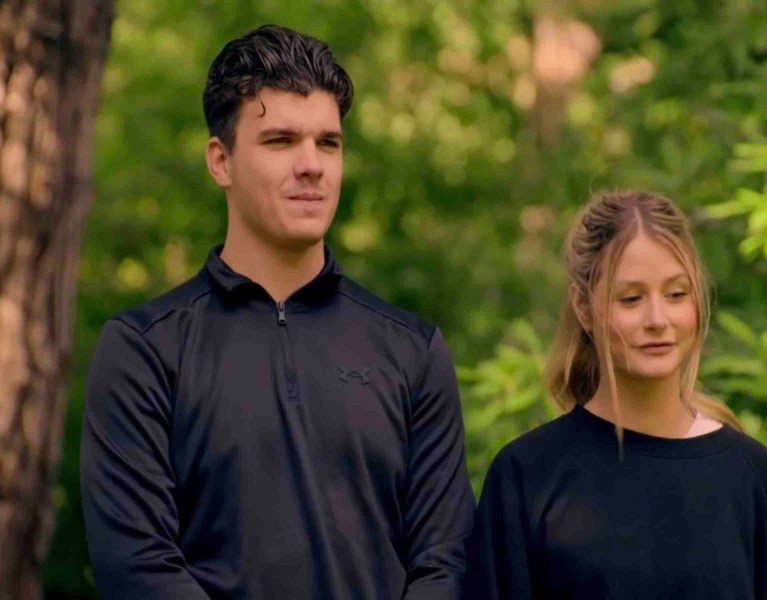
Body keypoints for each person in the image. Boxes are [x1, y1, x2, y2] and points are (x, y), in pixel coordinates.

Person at [80, 25, 474, 599]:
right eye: (280, 140)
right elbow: (138, 567)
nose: (312, 165)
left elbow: (448, 561)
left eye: (329, 143)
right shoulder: (144, 350)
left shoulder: (412, 349)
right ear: (221, 161)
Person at [467, 190, 767, 599]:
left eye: (676, 294)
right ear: (583, 307)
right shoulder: (527, 477)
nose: (657, 319)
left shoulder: (752, 477)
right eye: (631, 299)